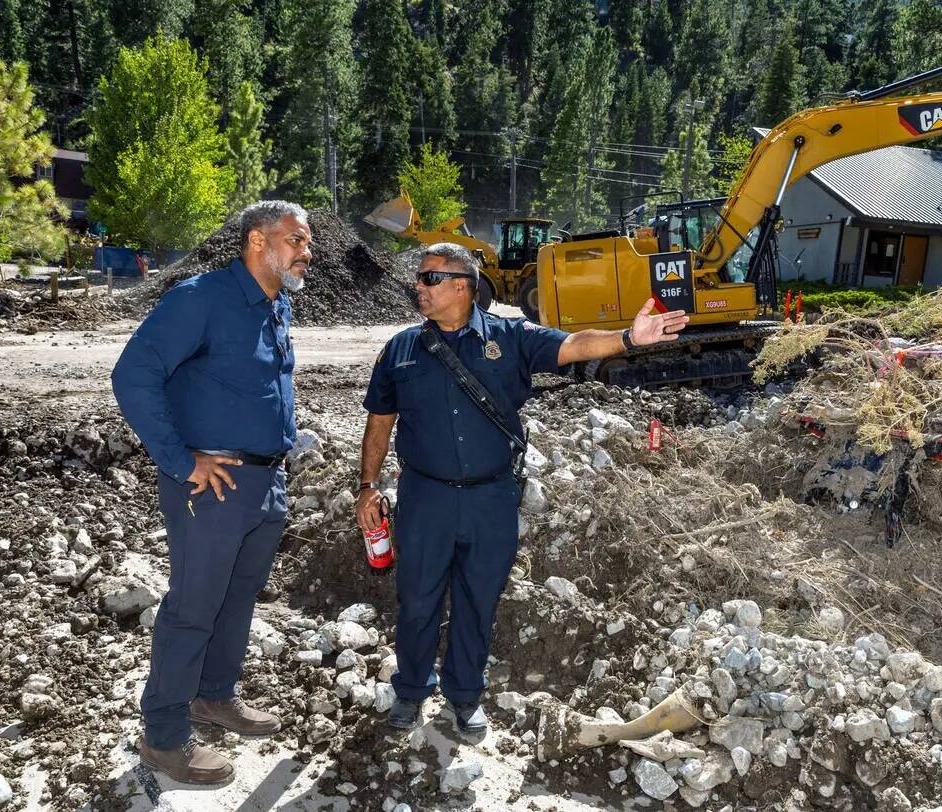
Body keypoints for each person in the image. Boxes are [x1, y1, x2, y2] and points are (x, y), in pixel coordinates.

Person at [355, 243, 689, 733]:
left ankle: (465, 697)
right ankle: (410, 690)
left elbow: (573, 345)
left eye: (428, 278)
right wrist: (367, 486)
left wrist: (627, 338)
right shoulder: (401, 348)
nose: (417, 287)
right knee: (418, 598)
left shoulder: (510, 337)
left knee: (479, 599)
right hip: (425, 498)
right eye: (419, 279)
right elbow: (380, 421)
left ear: (461, 285)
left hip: (491, 499)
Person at [111, 200, 312, 784]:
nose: (308, 251)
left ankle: (214, 696)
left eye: (308, 242)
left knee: (237, 598)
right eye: (297, 239)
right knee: (194, 607)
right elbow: (133, 375)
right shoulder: (200, 299)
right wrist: (179, 459)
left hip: (265, 481)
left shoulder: (278, 306)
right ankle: (165, 735)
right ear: (257, 240)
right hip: (214, 486)